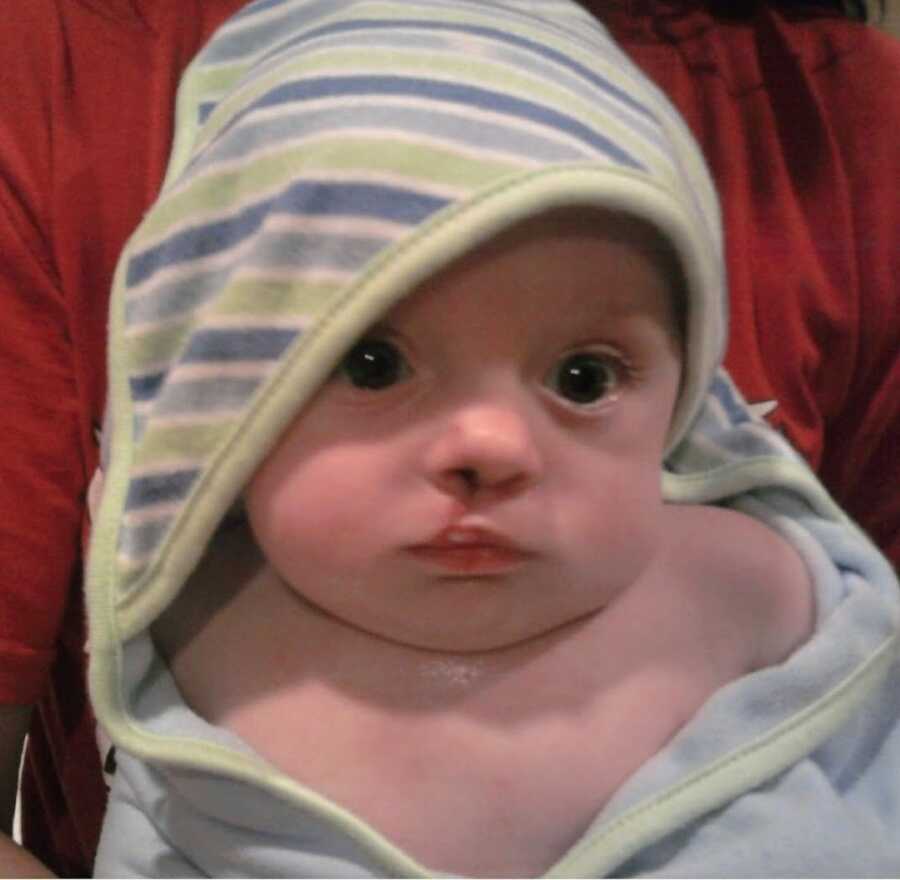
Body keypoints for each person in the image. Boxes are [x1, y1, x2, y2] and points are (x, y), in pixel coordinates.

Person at [2, 0, 899, 874]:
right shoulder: (190, 625)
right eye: (372, 364)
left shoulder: (760, 587)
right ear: (225, 400)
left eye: (583, 380)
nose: (491, 444)